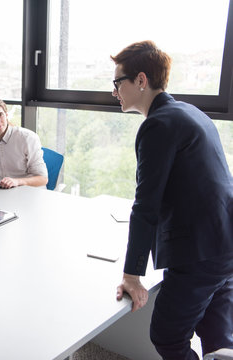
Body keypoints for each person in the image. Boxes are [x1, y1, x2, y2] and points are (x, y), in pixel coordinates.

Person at [111, 41, 233, 359]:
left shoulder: (158, 125)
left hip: (200, 252)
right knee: (219, 340)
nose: (114, 92)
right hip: (224, 244)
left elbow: (145, 206)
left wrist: (131, 275)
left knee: (166, 337)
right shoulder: (190, 112)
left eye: (117, 82)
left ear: (140, 80)